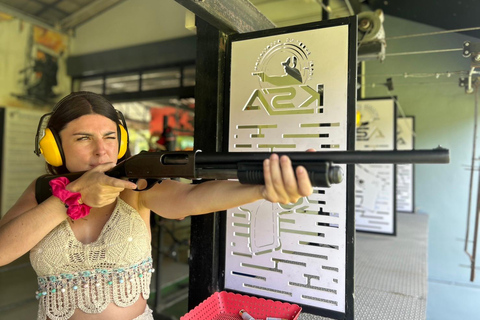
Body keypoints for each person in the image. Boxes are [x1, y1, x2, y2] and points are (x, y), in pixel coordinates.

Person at [0, 91, 314, 320]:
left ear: (121, 142)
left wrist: (262, 187)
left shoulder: (135, 185)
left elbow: (190, 199)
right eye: (83, 138)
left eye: (110, 137)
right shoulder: (43, 192)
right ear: (54, 148)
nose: (101, 150)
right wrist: (70, 199)